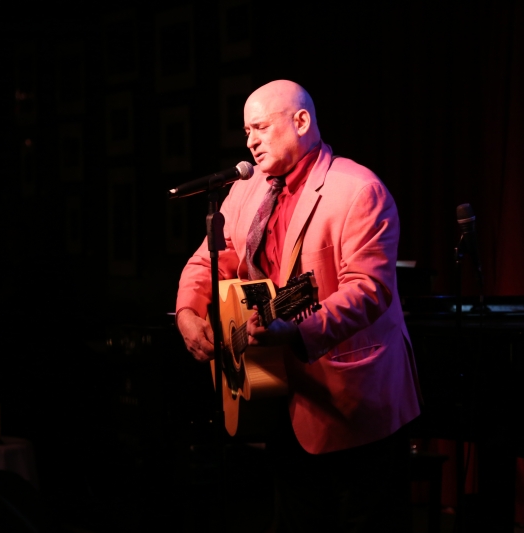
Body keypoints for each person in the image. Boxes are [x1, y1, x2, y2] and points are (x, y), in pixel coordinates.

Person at [175, 80, 422, 531]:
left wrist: (301, 333)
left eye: (261, 127)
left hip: (353, 404)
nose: (250, 140)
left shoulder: (358, 189)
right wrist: (189, 312)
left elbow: (369, 288)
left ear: (301, 121)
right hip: (280, 397)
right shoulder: (245, 190)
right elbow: (209, 257)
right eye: (246, 130)